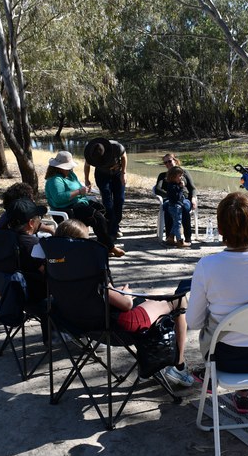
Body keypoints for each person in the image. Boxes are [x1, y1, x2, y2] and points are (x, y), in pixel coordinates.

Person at [55, 219, 193, 387]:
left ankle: (151, 362)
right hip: (115, 327)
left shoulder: (54, 269)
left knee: (149, 299)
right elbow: (126, 305)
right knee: (177, 300)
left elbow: (89, 296)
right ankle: (178, 366)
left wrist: (117, 293)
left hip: (78, 324)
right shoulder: (90, 268)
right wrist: (126, 294)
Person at [186, 192, 248, 414]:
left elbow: (193, 322)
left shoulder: (208, 265)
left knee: (215, 327)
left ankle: (213, 376)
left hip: (226, 359)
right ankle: (243, 392)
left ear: (220, 229)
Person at [45, 150, 125, 257]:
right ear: (59, 167)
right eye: (68, 167)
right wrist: (79, 192)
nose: (70, 169)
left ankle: (103, 243)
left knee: (103, 210)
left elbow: (78, 186)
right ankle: (110, 247)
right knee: (97, 217)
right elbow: (59, 198)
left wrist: (85, 189)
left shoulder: (70, 175)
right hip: (66, 208)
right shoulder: (55, 180)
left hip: (79, 203)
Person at [5, 197, 49, 302]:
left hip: (4, 291)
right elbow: (46, 271)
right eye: (39, 217)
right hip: (32, 294)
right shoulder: (34, 244)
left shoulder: (2, 240)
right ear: (31, 223)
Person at [84, 138, 127, 239]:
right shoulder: (90, 151)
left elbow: (124, 156)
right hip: (102, 175)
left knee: (120, 199)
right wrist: (87, 180)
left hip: (117, 173)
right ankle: (112, 229)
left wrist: (123, 173)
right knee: (107, 201)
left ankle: (115, 225)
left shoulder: (116, 147)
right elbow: (87, 165)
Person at [154, 153, 196, 246]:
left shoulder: (183, 173)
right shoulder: (163, 175)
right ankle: (170, 236)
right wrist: (170, 195)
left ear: (175, 160)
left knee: (184, 207)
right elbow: (157, 189)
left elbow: (192, 188)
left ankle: (187, 237)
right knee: (169, 207)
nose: (168, 164)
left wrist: (193, 198)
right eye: (165, 163)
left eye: (169, 161)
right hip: (169, 199)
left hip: (183, 198)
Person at [162, 166, 192, 247]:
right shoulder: (173, 187)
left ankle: (170, 238)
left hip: (176, 206)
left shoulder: (174, 185)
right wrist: (181, 188)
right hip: (175, 207)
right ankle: (180, 241)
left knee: (175, 223)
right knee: (178, 224)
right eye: (179, 176)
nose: (181, 178)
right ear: (173, 177)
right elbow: (177, 197)